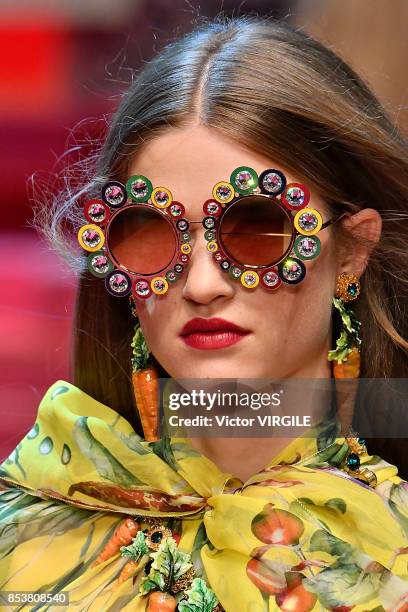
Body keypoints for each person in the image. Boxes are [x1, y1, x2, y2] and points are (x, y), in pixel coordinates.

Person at [1, 14, 408, 612]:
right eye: (150, 234)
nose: (203, 284)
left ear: (352, 249)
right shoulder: (24, 535)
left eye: (257, 229)